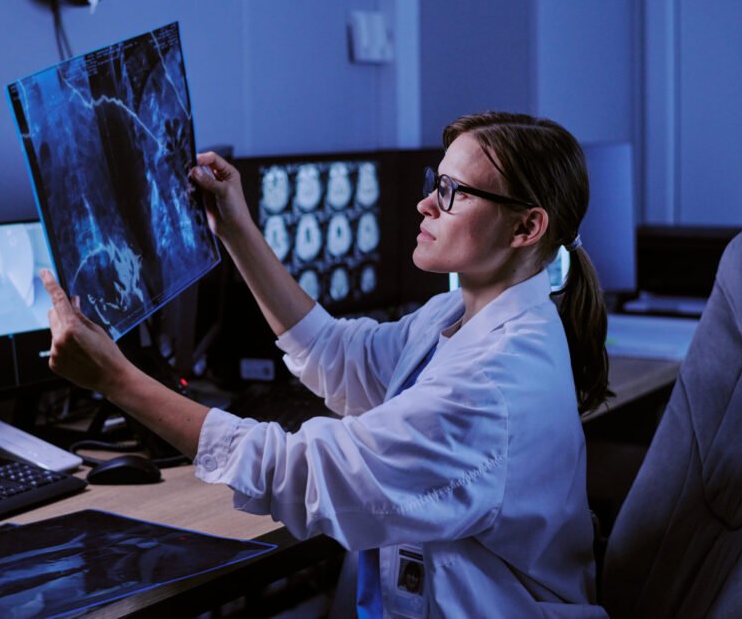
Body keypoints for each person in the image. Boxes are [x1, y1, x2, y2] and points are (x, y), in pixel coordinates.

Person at [40, 110, 610, 618]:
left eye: (452, 192)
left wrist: (115, 380)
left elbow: (304, 473)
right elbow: (340, 353)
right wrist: (236, 227)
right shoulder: (455, 313)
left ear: (526, 227)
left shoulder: (495, 381)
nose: (425, 204)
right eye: (434, 184)